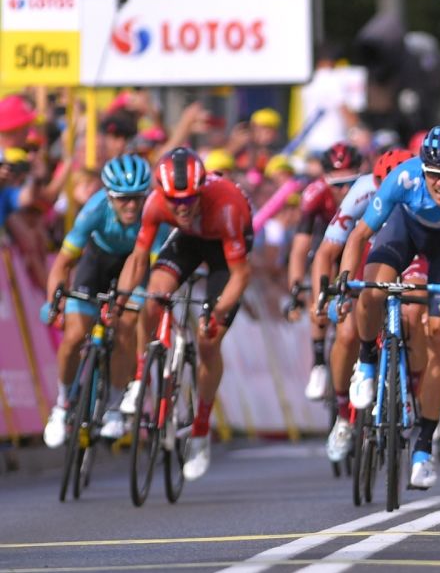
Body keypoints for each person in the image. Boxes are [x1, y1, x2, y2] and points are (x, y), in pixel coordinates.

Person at [338, 125, 440, 489]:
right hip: (404, 231)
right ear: (423, 170)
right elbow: (359, 235)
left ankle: (423, 448)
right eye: (434, 175)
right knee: (371, 292)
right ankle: (367, 361)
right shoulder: (403, 179)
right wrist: (344, 283)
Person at [117, 147, 255, 481]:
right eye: (174, 200)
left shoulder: (225, 207)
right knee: (153, 298)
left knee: (209, 340)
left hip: (226, 245)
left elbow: (240, 276)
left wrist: (216, 313)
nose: (181, 206)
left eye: (189, 199)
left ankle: (201, 429)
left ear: (200, 190)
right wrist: (119, 301)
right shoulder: (155, 204)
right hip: (189, 239)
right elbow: (138, 259)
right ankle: (140, 378)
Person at [41, 155, 154, 447]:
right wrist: (55, 302)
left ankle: (113, 407)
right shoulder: (94, 209)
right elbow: (63, 263)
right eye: (123, 199)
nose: (131, 206)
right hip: (97, 263)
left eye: (137, 198)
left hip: (136, 265)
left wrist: (126, 303)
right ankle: (62, 405)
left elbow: (152, 269)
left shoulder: (154, 213)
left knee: (127, 327)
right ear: (109, 197)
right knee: (74, 336)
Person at [316, 147, 414, 463]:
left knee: (416, 318)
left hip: (410, 254)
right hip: (367, 257)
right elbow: (327, 252)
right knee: (347, 333)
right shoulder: (361, 192)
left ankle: (410, 391)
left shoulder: (423, 191)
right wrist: (330, 296)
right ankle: (344, 415)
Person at [286, 142, 365, 401]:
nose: (345, 191)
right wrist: (296, 289)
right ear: (326, 179)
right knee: (320, 279)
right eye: (337, 185)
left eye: (350, 183)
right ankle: (319, 361)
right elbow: (300, 248)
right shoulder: (315, 193)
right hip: (328, 244)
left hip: (359, 244)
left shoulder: (369, 191)